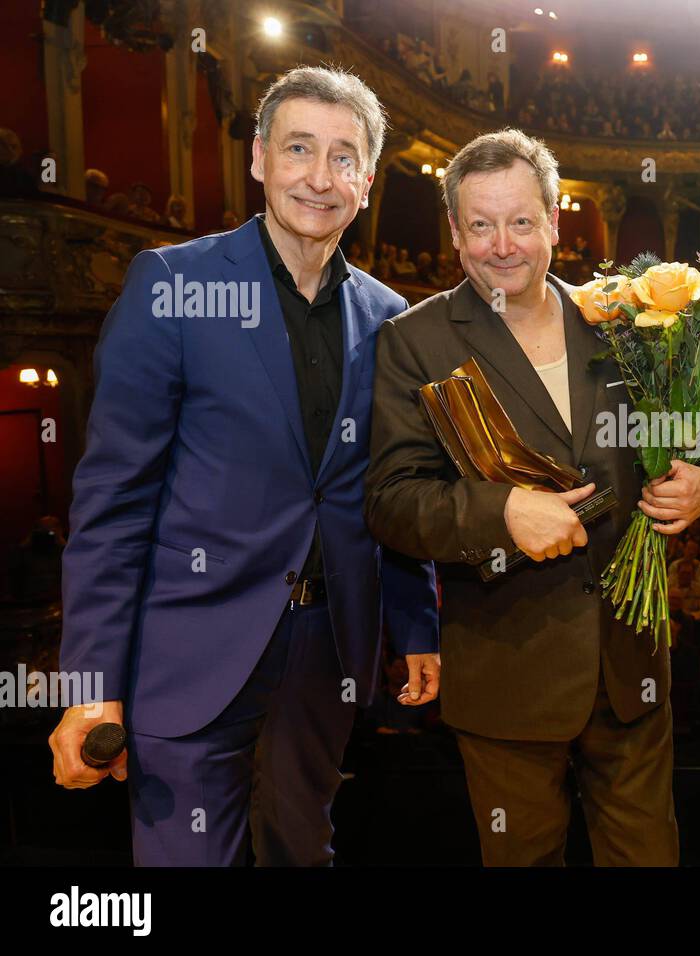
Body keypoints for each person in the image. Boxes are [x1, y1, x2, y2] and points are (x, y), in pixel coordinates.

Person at [51, 67, 438, 867]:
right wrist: (89, 685)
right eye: (299, 149)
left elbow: (390, 490)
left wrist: (414, 626)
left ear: (367, 179)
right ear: (259, 158)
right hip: (189, 646)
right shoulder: (173, 284)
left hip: (329, 649)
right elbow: (112, 505)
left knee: (306, 851)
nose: (319, 177)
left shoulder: (391, 318)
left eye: (343, 157)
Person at [364, 128, 700, 867]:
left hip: (632, 672)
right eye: (481, 225)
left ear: (556, 222)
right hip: (506, 680)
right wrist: (500, 513)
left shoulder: (629, 326)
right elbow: (391, 502)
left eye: (522, 222)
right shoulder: (414, 341)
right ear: (456, 234)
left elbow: (685, 433)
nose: (504, 245)